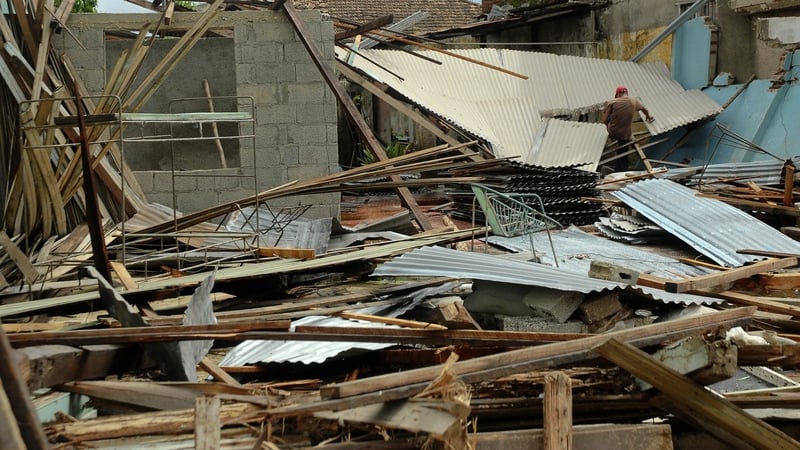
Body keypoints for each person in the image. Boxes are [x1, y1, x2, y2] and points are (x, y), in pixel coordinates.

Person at [602, 86, 654, 172]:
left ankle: (619, 169)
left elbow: (604, 120)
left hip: (613, 131)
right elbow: (645, 110)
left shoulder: (612, 102)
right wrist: (648, 117)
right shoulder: (634, 101)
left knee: (621, 146)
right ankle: (622, 169)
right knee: (624, 148)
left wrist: (609, 122)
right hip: (625, 134)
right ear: (627, 93)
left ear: (618, 94)